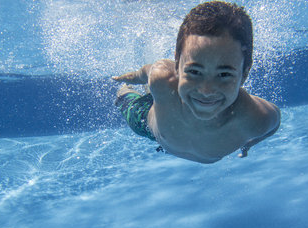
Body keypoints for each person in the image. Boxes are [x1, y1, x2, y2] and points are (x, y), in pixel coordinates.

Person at [113, 1, 280, 164]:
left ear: (244, 74)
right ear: (177, 65)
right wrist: (132, 77)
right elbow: (146, 72)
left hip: (168, 126)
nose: (206, 91)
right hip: (147, 125)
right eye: (194, 72)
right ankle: (124, 90)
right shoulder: (162, 78)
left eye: (223, 74)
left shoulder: (256, 119)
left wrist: (247, 145)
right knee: (123, 99)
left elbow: (273, 125)